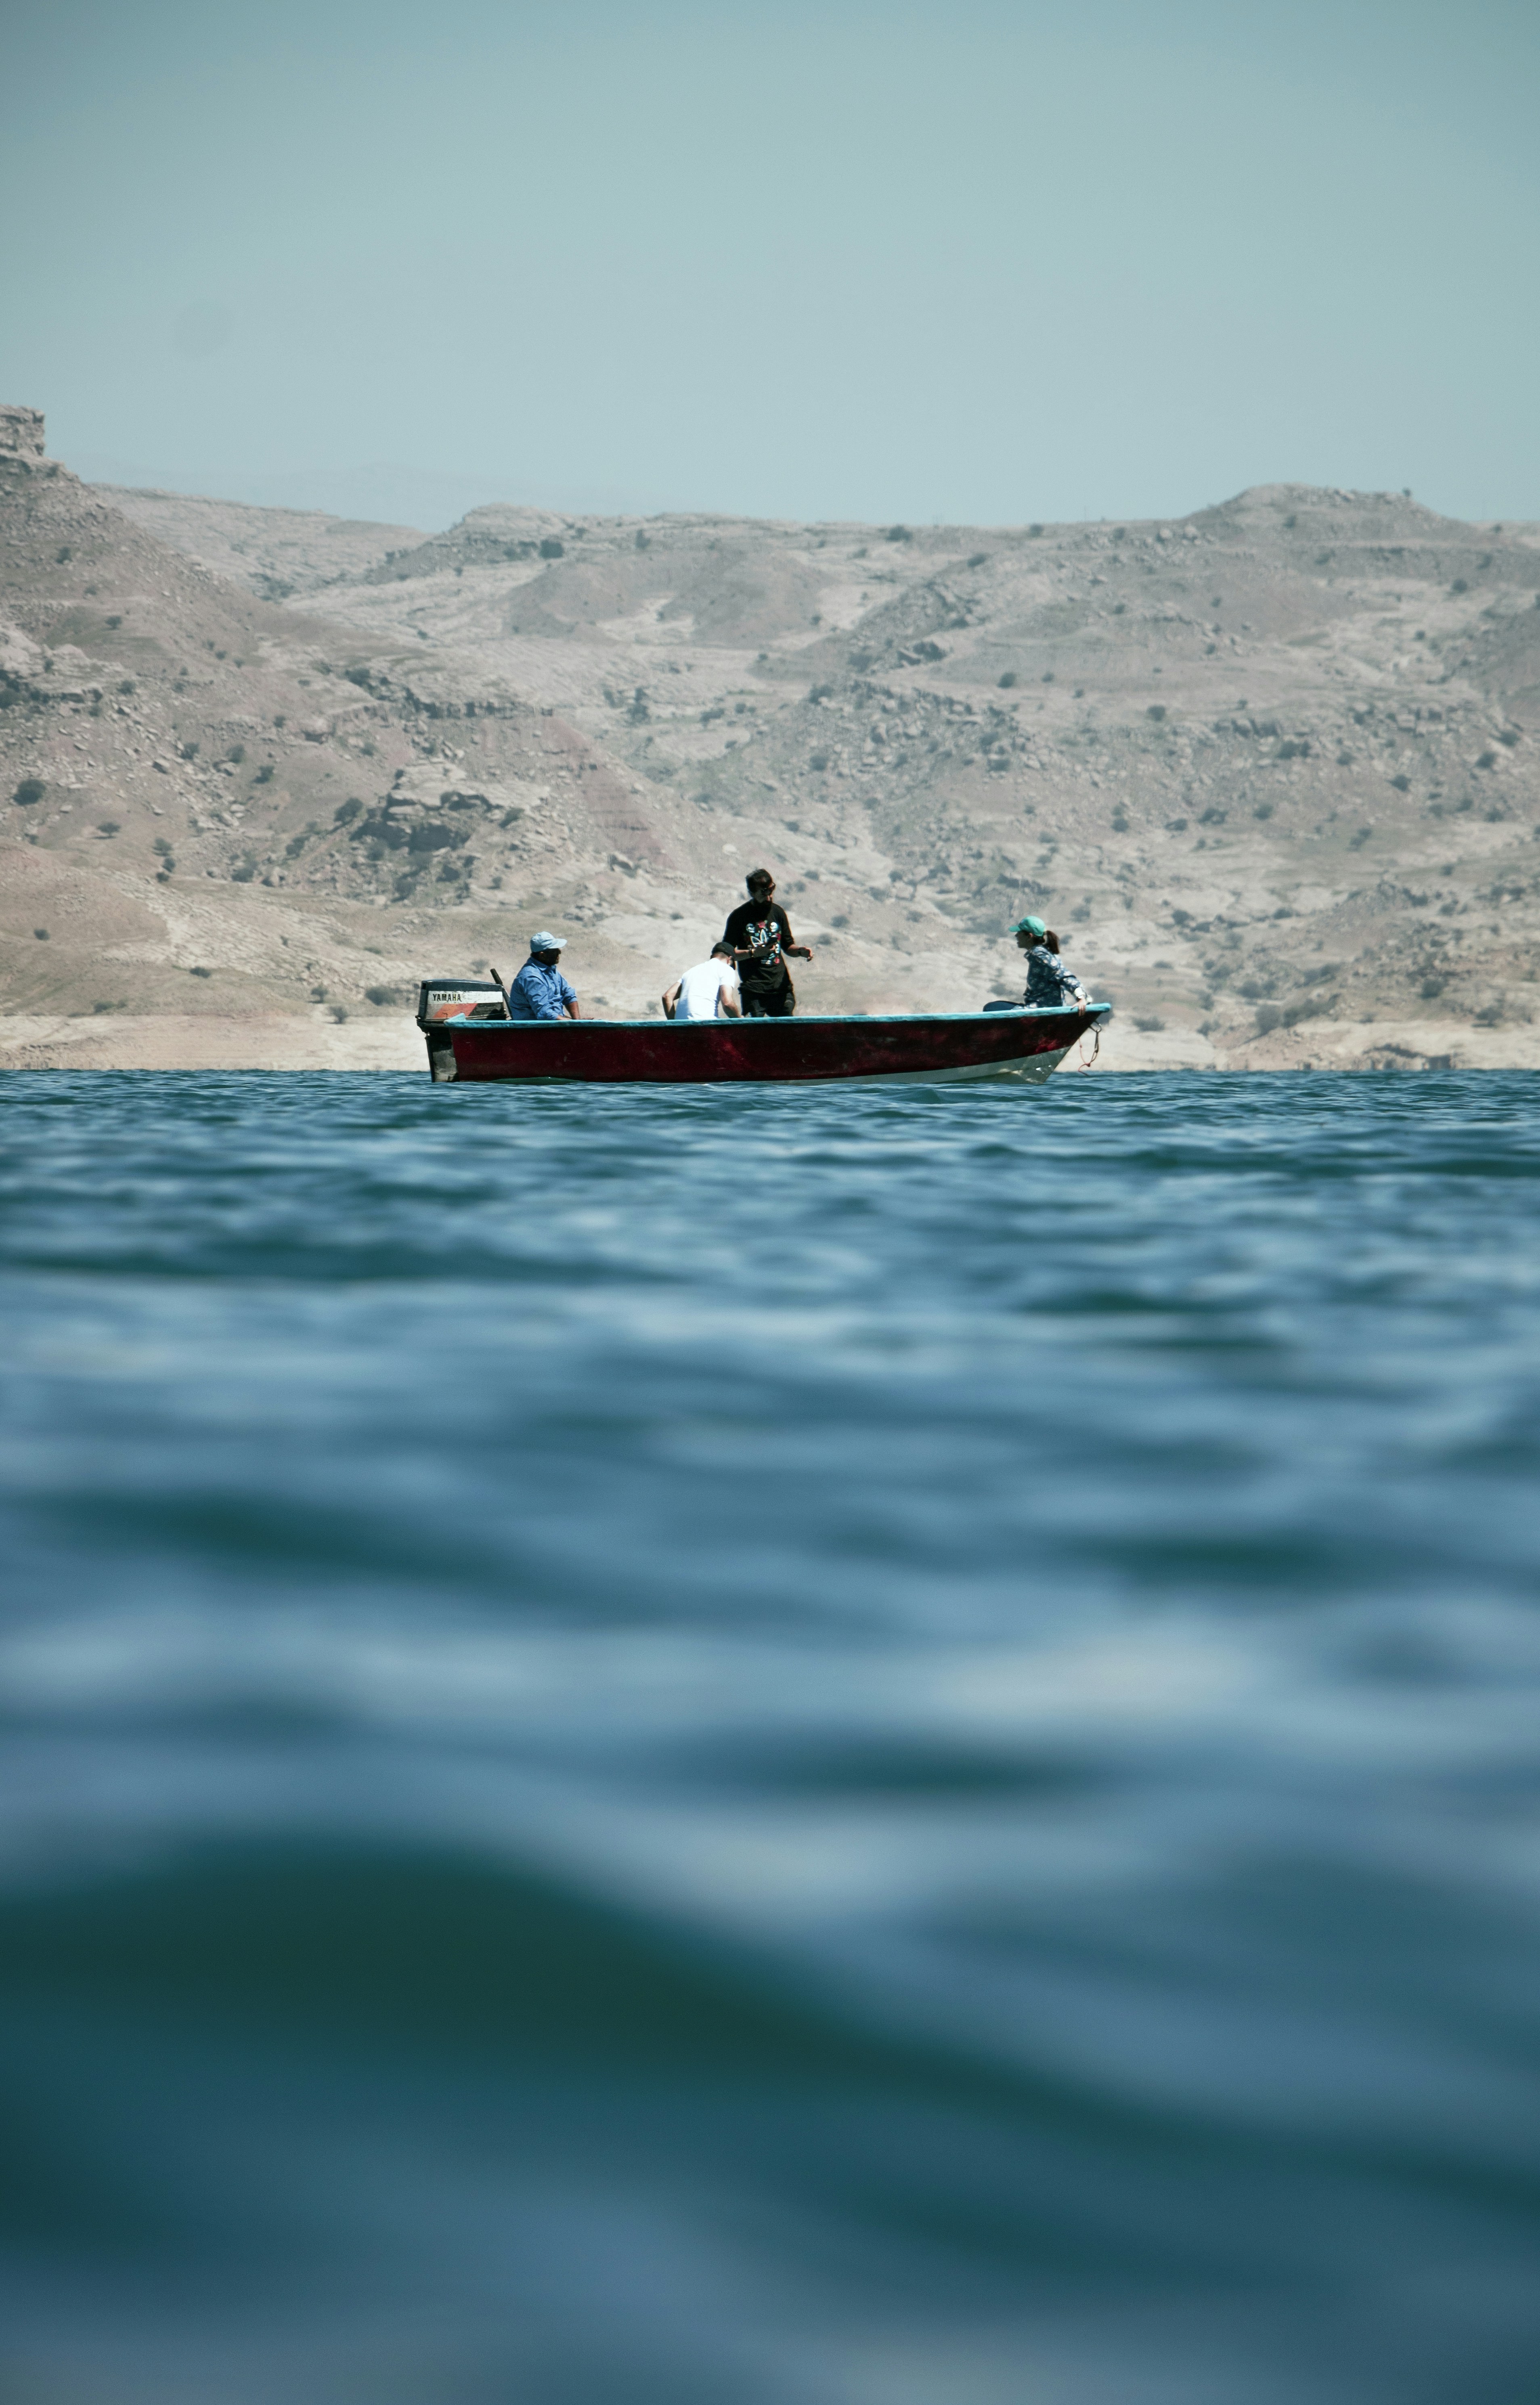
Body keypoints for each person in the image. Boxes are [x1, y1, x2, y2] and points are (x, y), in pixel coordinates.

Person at [721, 869, 813, 1018]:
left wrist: (801, 951)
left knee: (787, 1033)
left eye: (771, 891)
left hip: (781, 988)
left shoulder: (778, 912)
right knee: (757, 1035)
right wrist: (753, 953)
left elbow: (788, 946)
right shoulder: (739, 917)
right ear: (752, 893)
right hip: (754, 990)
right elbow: (727, 954)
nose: (769, 897)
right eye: (764, 893)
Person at [491, 933, 582, 1021]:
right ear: (542, 955)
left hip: (552, 1026)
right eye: (554, 950)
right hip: (533, 1030)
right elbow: (544, 1013)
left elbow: (568, 994)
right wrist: (572, 1024)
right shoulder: (532, 977)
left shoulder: (551, 972)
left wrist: (577, 1021)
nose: (559, 952)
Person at [1012, 914, 1089, 1008]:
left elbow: (1062, 975)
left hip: (1041, 1008)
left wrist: (1081, 998)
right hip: (1039, 1006)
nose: (1016, 935)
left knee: (993, 1008)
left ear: (1029, 936)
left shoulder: (1040, 955)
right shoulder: (1043, 953)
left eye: (1019, 932)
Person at [663, 942, 742, 1021]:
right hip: (705, 1026)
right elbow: (727, 1003)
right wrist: (741, 1021)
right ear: (729, 960)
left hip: (682, 1028)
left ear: (712, 956)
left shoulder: (691, 971)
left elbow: (667, 996)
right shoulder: (726, 969)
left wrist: (674, 1023)